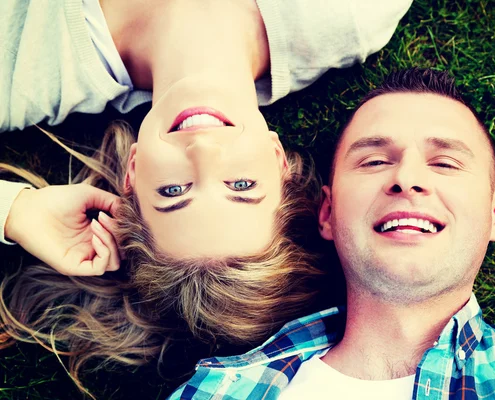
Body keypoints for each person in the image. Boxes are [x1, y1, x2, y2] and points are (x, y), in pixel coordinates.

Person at [0, 0, 414, 394]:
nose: (202, 151)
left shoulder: (20, 69)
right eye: (242, 186)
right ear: (277, 158)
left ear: (132, 171)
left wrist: (17, 211)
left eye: (174, 191)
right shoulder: (354, 15)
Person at [168, 68, 495, 400]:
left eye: (445, 162)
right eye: (374, 161)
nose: (407, 178)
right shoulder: (217, 389)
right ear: (329, 212)